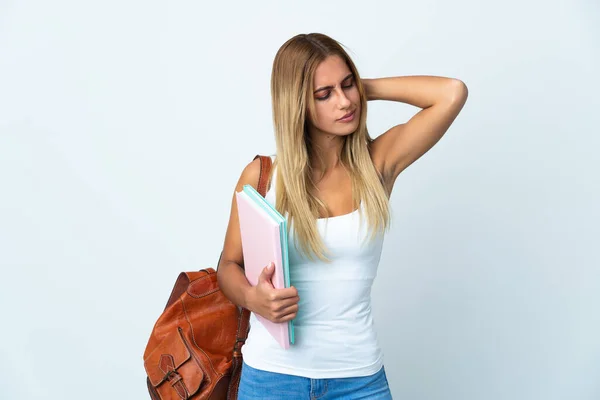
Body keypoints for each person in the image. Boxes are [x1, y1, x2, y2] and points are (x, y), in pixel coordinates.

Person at [217, 32, 468, 399]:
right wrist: (253, 299)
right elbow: (228, 265)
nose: (345, 101)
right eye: (325, 94)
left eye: (347, 85)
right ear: (296, 103)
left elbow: (451, 93)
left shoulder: (377, 164)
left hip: (358, 380)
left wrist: (364, 87)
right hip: (272, 378)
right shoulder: (263, 177)